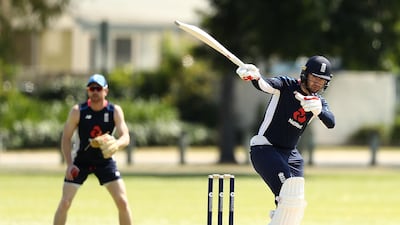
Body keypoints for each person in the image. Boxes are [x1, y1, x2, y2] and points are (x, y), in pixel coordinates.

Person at [236, 55, 335, 225]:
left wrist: (319, 109)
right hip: (265, 148)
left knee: (295, 207)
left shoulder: (319, 102)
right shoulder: (286, 85)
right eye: (315, 77)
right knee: (288, 196)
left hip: (291, 156)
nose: (318, 83)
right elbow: (264, 85)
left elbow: (331, 122)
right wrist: (255, 76)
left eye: (322, 80)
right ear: (305, 74)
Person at [53, 74, 133, 225]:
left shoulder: (114, 111)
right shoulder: (78, 111)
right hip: (81, 161)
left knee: (122, 201)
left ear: (106, 91)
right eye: (91, 88)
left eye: (98, 88)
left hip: (105, 161)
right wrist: (69, 164)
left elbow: (125, 136)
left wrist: (116, 144)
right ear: (88, 91)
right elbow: (66, 138)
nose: (95, 91)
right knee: (65, 203)